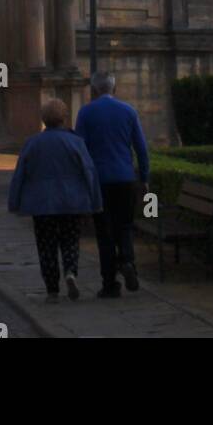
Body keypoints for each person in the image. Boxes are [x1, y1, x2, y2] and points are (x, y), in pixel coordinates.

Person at [7, 98, 102, 302]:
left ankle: (52, 290)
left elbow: (20, 174)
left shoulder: (32, 143)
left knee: (46, 246)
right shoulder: (76, 142)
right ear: (64, 117)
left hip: (42, 204)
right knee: (70, 241)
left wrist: (14, 201)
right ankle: (70, 271)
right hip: (71, 201)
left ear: (44, 119)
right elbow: (89, 172)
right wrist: (95, 201)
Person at [75, 71, 150, 298]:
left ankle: (109, 284)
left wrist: (82, 182)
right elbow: (141, 149)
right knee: (125, 226)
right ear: (114, 89)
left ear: (94, 90)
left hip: (99, 181)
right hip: (125, 178)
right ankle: (127, 260)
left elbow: (80, 151)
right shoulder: (128, 111)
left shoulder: (86, 112)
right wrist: (144, 177)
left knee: (104, 232)